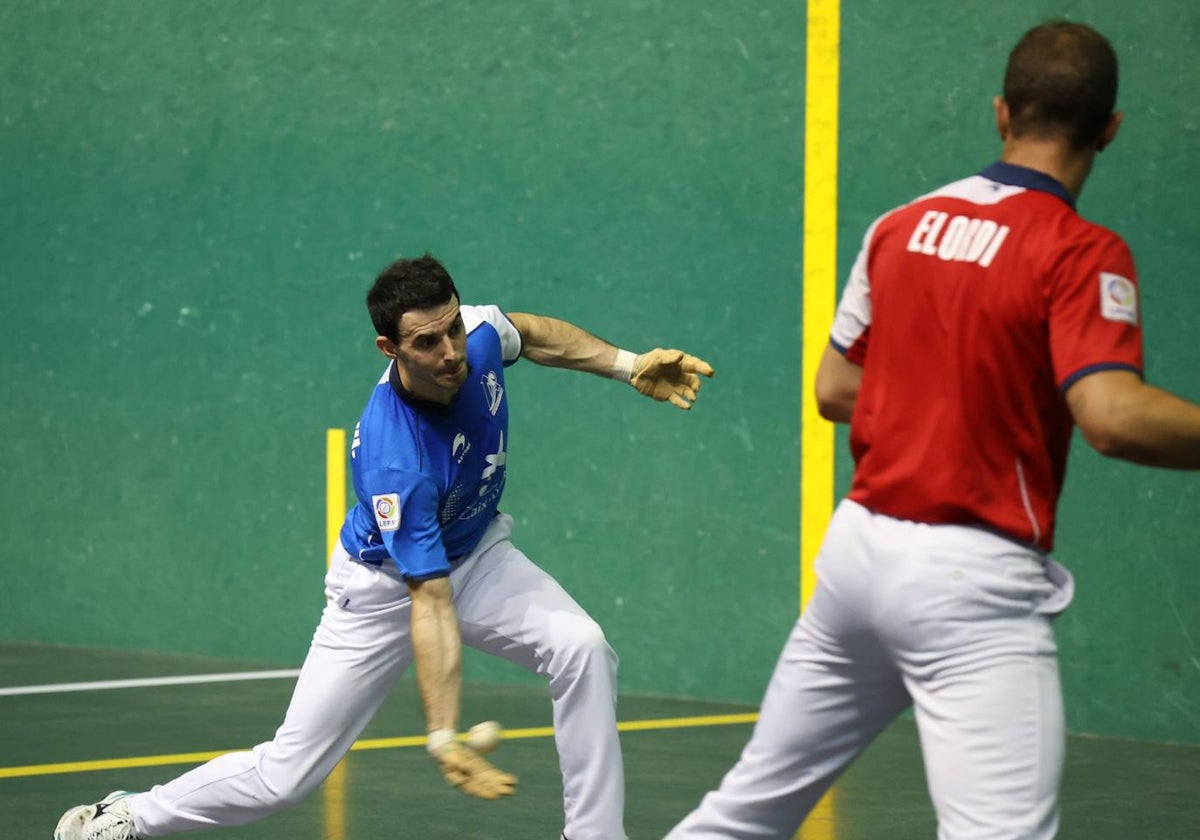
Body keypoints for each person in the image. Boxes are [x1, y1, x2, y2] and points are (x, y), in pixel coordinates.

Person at [664, 20, 1200, 840]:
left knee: (742, 818)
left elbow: (836, 386)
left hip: (858, 559)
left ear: (1001, 113)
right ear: (1111, 129)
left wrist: (941, 388)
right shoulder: (1080, 250)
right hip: (968, 581)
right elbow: (1114, 416)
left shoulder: (900, 225)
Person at [56, 254, 715, 840]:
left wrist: (628, 366)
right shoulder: (396, 458)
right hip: (379, 590)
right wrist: (442, 733)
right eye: (427, 342)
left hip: (475, 551)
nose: (451, 350)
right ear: (388, 348)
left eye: (453, 329)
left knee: (582, 647)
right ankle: (129, 817)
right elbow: (428, 601)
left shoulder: (477, 335)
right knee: (288, 775)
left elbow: (534, 334)